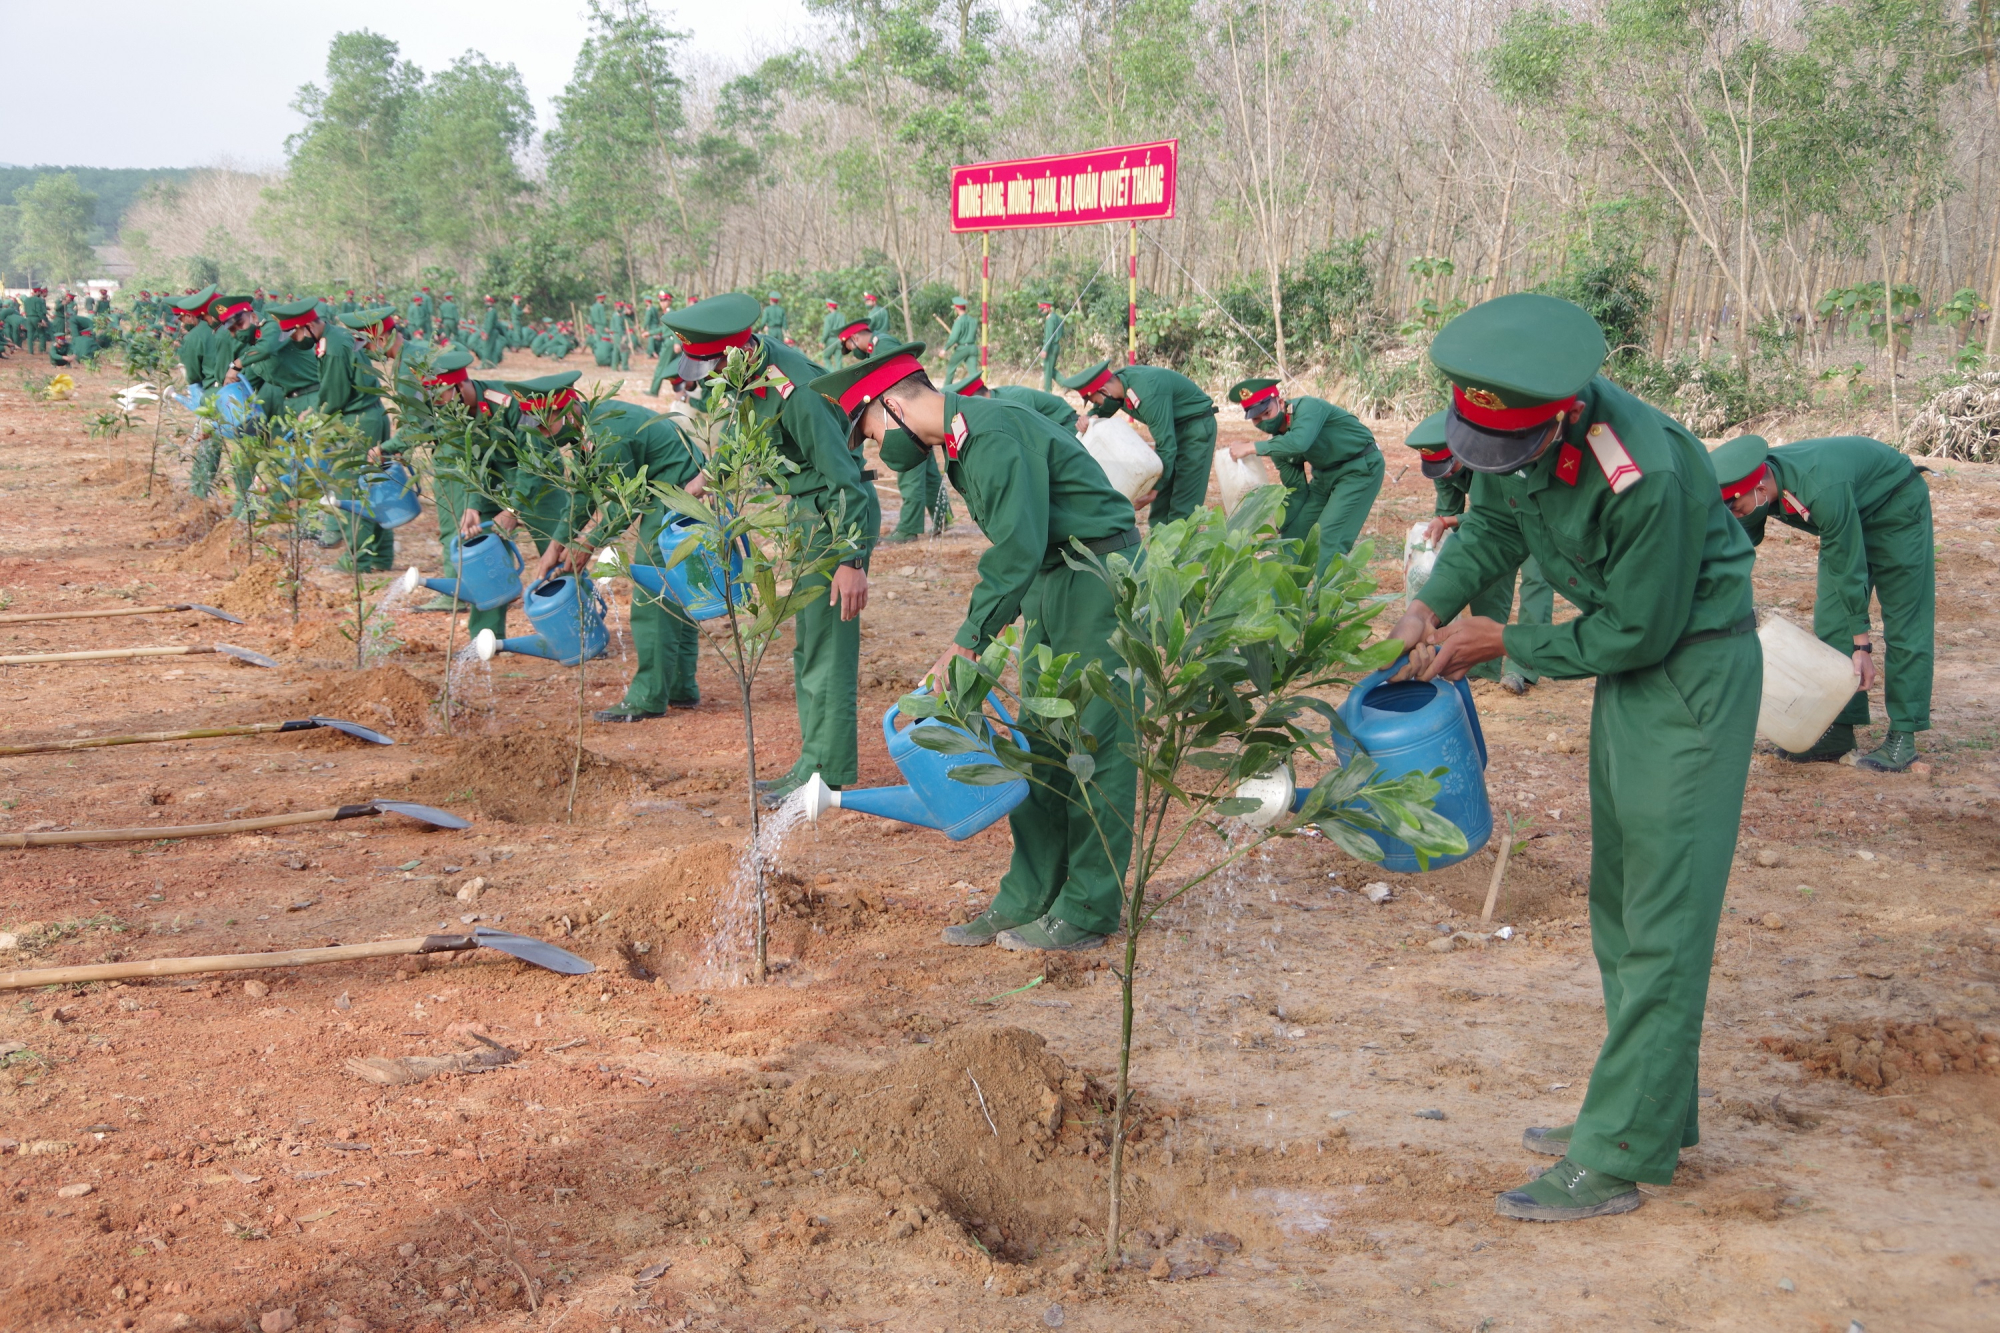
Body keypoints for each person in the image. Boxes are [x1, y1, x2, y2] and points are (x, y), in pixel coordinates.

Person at [1387, 293, 1760, 1222]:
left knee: (1665, 910)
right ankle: (1647, 1109)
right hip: (1634, 677)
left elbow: (1640, 627)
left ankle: (1619, 1151)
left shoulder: (1648, 473)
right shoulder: (1520, 431)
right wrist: (1431, 604)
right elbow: (1494, 526)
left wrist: (1505, 643)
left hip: (1692, 670)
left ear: (1562, 412)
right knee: (1622, 896)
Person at [812, 341, 1138, 952]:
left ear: (892, 406)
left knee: (1095, 740)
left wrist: (966, 644)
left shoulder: (989, 437)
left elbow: (1015, 546)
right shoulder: (964, 443)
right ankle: (1031, 895)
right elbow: (1025, 552)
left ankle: (1090, 907)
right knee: (1038, 741)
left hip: (1096, 577)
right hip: (1053, 577)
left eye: (874, 433)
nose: (880, 448)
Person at [664, 293, 875, 803]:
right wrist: (707, 480)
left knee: (828, 648)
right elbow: (747, 440)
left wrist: (851, 561)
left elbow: (845, 479)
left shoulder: (795, 392)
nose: (706, 378)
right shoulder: (753, 373)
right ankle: (812, 761)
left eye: (709, 366)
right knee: (809, 645)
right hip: (805, 515)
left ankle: (825, 771)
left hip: (832, 516)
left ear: (735, 353)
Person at [1712, 433, 1933, 771]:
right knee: (1832, 621)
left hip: (1895, 508)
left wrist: (1863, 646)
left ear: (1759, 489)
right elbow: (1734, 545)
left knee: (1905, 623)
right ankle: (1837, 730)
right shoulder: (1756, 486)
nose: (1738, 515)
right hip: (1845, 515)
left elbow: (1849, 567)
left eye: (1738, 508)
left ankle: (1903, 738)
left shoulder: (1816, 486)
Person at [529, 382, 708, 722]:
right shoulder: (587, 428)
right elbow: (584, 492)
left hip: (677, 492)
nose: (541, 434)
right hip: (666, 489)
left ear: (565, 412)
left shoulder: (609, 432)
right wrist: (557, 543)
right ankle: (680, 687)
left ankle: (649, 696)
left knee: (653, 591)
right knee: (673, 590)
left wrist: (587, 544)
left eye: (542, 425)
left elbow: (626, 503)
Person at [1404, 410, 1555, 695]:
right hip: (1494, 527)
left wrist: (1455, 521)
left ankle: (1522, 667)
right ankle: (1483, 663)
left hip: (1537, 515)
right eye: (1441, 471)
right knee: (1484, 579)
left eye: (1451, 467)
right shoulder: (1443, 468)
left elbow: (1491, 513)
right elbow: (1457, 519)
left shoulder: (1493, 452)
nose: (1447, 475)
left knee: (1536, 581)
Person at [1224, 378, 1382, 570]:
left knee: (1329, 536)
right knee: (1294, 532)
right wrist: (1279, 523)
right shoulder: (1278, 445)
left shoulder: (1308, 408)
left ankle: (1325, 597)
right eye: (1256, 419)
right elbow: (1297, 490)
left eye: (1267, 413)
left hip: (1358, 468)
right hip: (1324, 476)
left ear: (1280, 402)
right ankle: (1285, 595)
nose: (1264, 422)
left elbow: (1299, 442)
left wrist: (1251, 447)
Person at [1059, 358, 1218, 524]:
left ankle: (1185, 548)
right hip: (1172, 427)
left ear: (1104, 390)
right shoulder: (1120, 386)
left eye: (1095, 401)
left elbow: (1167, 446)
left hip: (1195, 428)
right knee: (1160, 507)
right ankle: (1160, 549)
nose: (1097, 405)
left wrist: (1155, 488)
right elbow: (1103, 409)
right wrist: (1089, 418)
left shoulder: (1147, 392)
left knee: (1184, 502)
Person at [949, 370, 1078, 433]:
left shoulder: (1012, 403)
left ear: (976, 400)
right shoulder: (994, 400)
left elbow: (1031, 438)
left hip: (1067, 427)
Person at [940, 297, 978, 385]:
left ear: (957, 309)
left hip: (962, 348)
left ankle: (945, 390)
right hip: (972, 347)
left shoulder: (959, 321)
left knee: (951, 368)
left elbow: (954, 338)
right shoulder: (973, 320)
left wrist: (945, 349)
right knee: (974, 373)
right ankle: (981, 391)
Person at [1038, 300, 1064, 392]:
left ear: (1047, 308)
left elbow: (1048, 336)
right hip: (1056, 346)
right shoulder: (1057, 317)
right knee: (1050, 368)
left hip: (1051, 347)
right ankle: (1064, 384)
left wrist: (1045, 349)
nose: (1041, 312)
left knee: (1047, 369)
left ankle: (1047, 391)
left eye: (1042, 310)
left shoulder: (1050, 319)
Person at [819, 299, 844, 369]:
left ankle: (830, 372)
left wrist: (822, 341)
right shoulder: (842, 317)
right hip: (840, 340)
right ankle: (839, 375)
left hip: (831, 340)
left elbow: (826, 331)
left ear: (830, 307)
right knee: (838, 360)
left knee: (826, 357)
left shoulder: (828, 317)